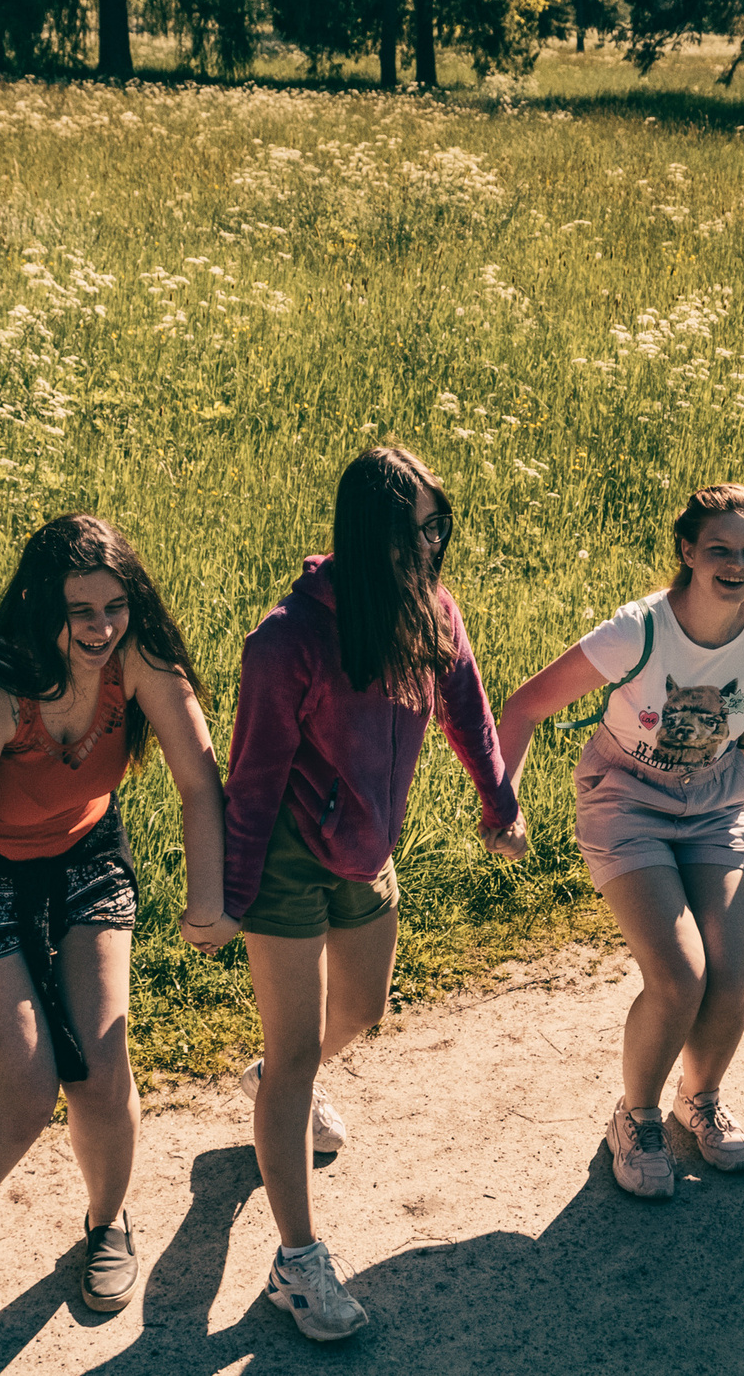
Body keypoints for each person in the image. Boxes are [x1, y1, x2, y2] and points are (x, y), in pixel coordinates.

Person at [222, 447, 523, 1341]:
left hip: (367, 849)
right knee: (298, 1050)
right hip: (285, 856)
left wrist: (498, 802)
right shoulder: (287, 639)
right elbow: (253, 774)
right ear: (366, 532)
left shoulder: (431, 610)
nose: (430, 544)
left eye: (438, 525)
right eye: (412, 529)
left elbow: (467, 707)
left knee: (361, 1008)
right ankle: (298, 1262)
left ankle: (279, 1082)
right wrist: (231, 898)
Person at [0, 516, 234, 1333]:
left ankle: (106, 1222)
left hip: (86, 852)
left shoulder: (138, 657)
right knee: (24, 1089)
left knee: (99, 1064)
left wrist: (209, 898)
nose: (99, 628)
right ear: (37, 606)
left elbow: (201, 780)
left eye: (115, 606)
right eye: (79, 609)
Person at [496, 483, 744, 1200]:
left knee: (731, 972)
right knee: (681, 974)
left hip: (716, 800)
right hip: (626, 797)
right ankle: (636, 1116)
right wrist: (500, 800)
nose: (736, 563)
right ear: (688, 552)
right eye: (719, 549)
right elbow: (524, 705)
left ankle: (701, 1097)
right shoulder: (639, 631)